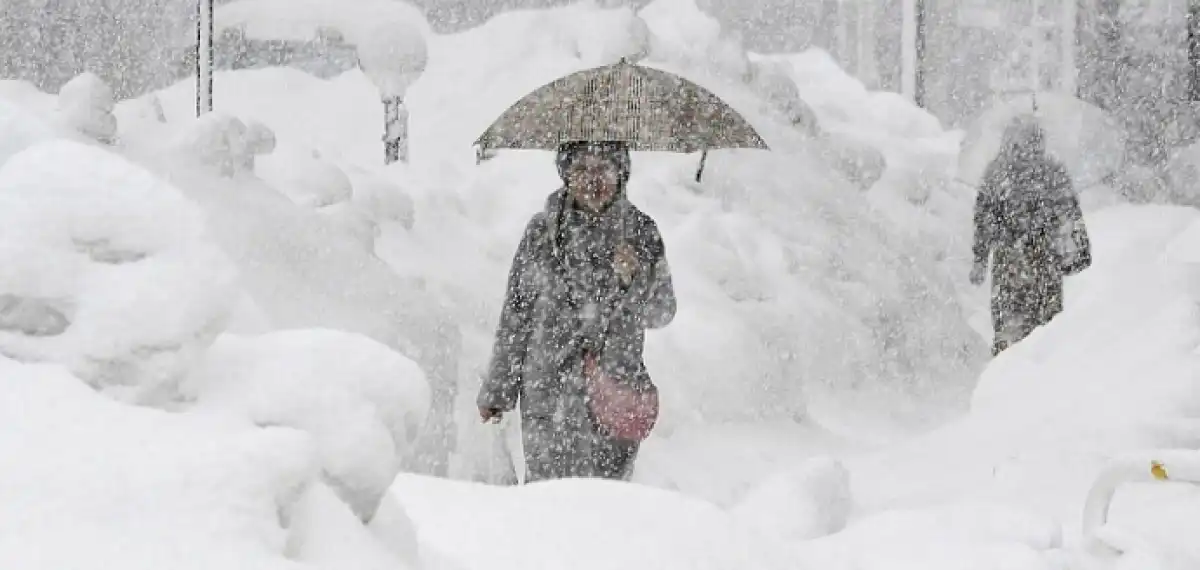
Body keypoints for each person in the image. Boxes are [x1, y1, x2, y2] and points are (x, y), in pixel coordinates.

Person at [477, 140, 677, 482]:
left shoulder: (642, 232)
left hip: (613, 392)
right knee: (547, 504)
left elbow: (663, 312)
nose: (591, 179)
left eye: (603, 169)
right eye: (581, 169)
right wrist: (499, 390)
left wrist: (636, 278)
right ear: (565, 173)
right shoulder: (541, 232)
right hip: (548, 396)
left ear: (622, 172)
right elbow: (517, 313)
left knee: (606, 509)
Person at [970, 116, 1091, 356]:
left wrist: (981, 258)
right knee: (1047, 326)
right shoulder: (1053, 172)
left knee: (1010, 325)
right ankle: (1042, 373)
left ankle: (1007, 372)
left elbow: (984, 221)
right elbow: (1069, 216)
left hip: (1010, 262)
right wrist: (1079, 252)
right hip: (1046, 260)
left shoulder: (997, 173)